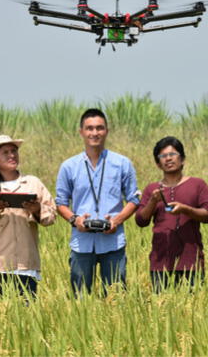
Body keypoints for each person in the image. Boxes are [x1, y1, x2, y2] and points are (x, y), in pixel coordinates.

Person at [55, 108, 140, 296]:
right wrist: (75, 220)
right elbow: (60, 202)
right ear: (81, 132)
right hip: (81, 241)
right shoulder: (69, 166)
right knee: (80, 300)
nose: (95, 133)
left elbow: (133, 199)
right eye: (90, 128)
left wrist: (116, 221)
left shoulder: (122, 163)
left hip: (113, 241)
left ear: (107, 131)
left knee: (116, 299)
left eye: (100, 128)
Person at [0, 135, 56, 298]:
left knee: (26, 319)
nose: (11, 155)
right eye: (5, 152)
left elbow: (51, 216)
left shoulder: (33, 183)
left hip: (25, 267)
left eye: (14, 151)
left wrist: (37, 209)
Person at [136, 136, 208, 293]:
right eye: (163, 156)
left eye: (173, 154)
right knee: (162, 310)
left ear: (183, 159)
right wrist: (152, 201)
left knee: (193, 311)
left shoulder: (198, 185)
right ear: (158, 163)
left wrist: (186, 209)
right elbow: (140, 220)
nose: (168, 159)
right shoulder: (152, 189)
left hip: (191, 261)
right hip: (160, 263)